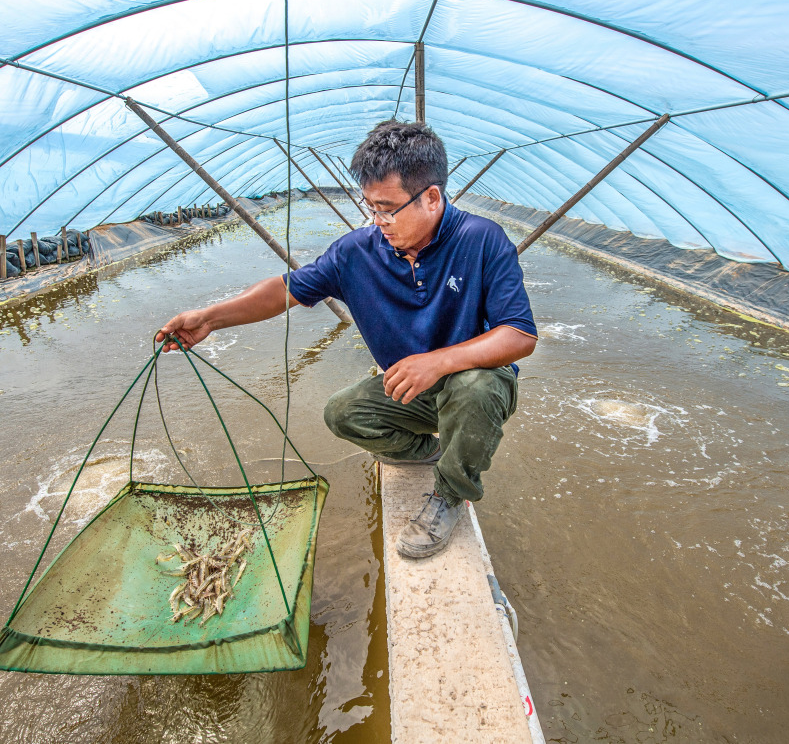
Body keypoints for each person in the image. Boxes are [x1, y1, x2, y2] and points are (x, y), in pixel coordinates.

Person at [156, 121, 537, 558]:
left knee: (477, 387)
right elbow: (285, 290)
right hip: (411, 385)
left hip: (471, 382)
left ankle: (450, 494)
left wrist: (438, 361)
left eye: (389, 208)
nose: (379, 222)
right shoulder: (357, 252)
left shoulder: (481, 239)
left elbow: (519, 334)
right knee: (343, 413)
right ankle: (432, 452)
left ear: (432, 197)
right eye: (371, 208)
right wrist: (210, 318)